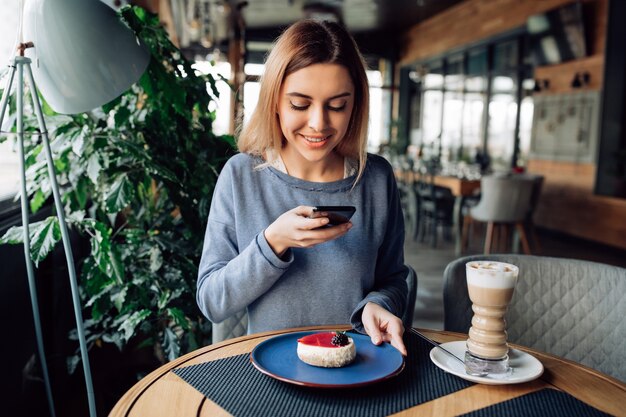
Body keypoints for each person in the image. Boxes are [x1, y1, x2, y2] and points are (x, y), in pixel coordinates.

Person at [196, 19, 409, 355]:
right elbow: (212, 301)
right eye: (299, 104)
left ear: (355, 106)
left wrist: (378, 303)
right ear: (275, 102)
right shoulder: (241, 176)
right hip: (269, 374)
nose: (319, 123)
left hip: (358, 365)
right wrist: (273, 241)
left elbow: (395, 279)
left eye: (338, 106)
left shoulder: (377, 178)